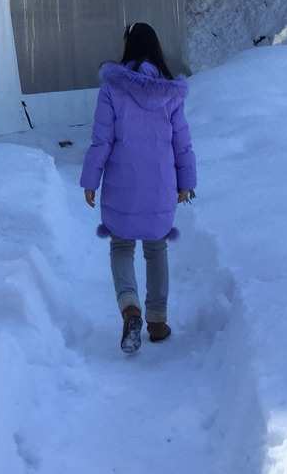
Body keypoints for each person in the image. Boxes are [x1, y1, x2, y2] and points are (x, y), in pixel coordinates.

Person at [79, 21, 196, 355]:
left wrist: (91, 180)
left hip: (122, 182)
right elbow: (181, 141)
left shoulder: (112, 87)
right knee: (156, 248)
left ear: (128, 47)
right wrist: (186, 182)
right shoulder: (170, 91)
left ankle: (130, 308)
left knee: (121, 246)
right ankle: (157, 322)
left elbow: (102, 139)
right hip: (160, 182)